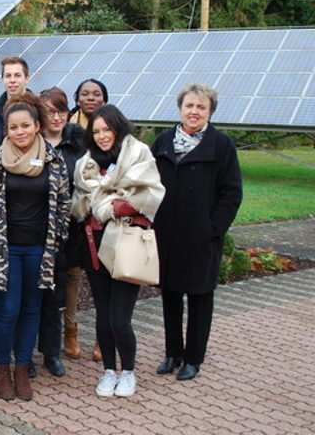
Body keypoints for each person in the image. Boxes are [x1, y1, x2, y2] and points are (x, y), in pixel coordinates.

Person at [0, 93, 71, 401]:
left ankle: (23, 368)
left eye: (25, 126)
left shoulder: (53, 160)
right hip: (8, 250)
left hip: (40, 250)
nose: (19, 132)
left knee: (32, 309)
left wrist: (57, 238)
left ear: (36, 126)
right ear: (7, 129)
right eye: (13, 127)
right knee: (8, 311)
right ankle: (3, 370)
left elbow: (63, 202)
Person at [72, 105, 164, 398]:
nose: (101, 136)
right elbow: (79, 204)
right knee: (102, 315)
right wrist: (94, 206)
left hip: (125, 244)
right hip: (94, 245)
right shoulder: (85, 165)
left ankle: (128, 372)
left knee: (119, 318)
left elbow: (149, 195)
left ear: (118, 128)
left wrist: (111, 207)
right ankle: (108, 371)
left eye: (106, 129)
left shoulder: (139, 155)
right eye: (96, 131)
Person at [151, 83, 242, 381]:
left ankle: (193, 358)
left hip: (201, 238)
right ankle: (172, 353)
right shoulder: (163, 141)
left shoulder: (221, 146)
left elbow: (231, 193)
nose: (194, 111)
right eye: (189, 105)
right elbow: (147, 182)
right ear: (180, 108)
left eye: (201, 107)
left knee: (200, 297)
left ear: (210, 112)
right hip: (166, 235)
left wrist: (213, 229)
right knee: (171, 295)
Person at [35, 88, 85, 374]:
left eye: (61, 110)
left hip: (64, 233)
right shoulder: (29, 140)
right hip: (31, 230)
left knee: (54, 295)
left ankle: (51, 353)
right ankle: (25, 353)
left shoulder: (78, 145)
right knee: (31, 296)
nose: (56, 117)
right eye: (50, 111)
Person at [67, 78, 108, 363]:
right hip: (72, 214)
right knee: (72, 274)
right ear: (77, 98)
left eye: (96, 94)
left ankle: (102, 336)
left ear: (104, 100)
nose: (90, 98)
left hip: (103, 217)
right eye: (85, 94)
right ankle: (69, 331)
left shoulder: (111, 130)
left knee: (102, 277)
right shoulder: (67, 127)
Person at [0, 56, 32, 148]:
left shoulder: (40, 109)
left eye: (17, 75)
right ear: (2, 79)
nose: (12, 80)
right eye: (8, 76)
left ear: (27, 78)